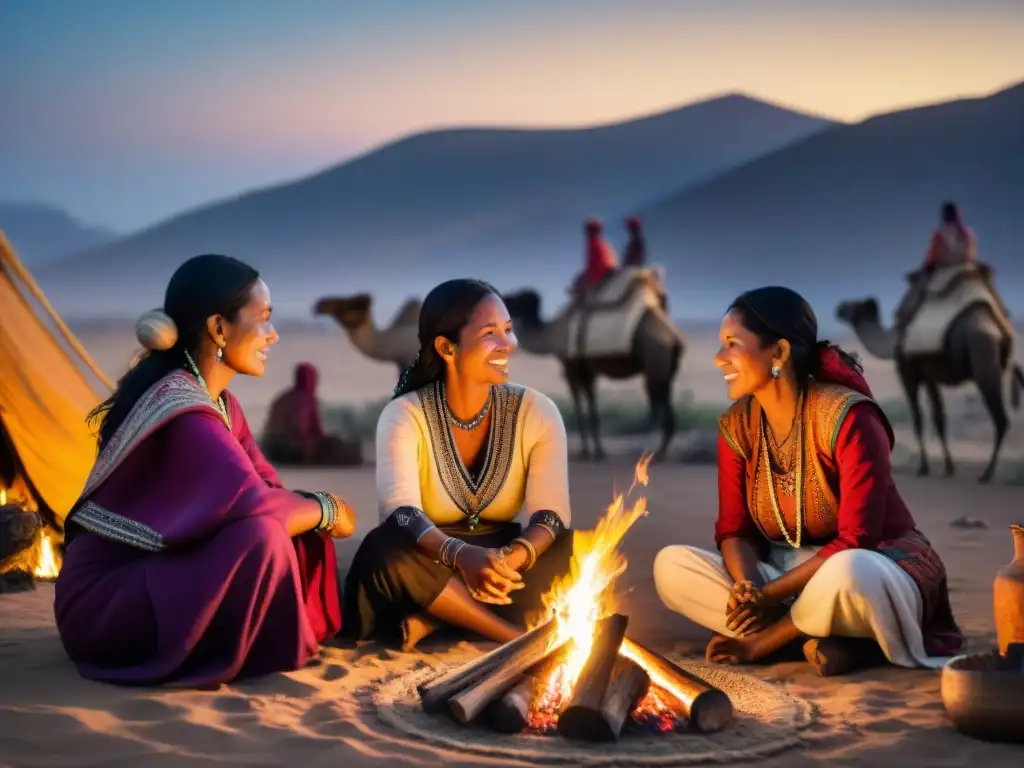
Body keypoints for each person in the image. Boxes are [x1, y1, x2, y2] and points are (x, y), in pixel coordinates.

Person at [53, 254, 355, 688]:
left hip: (154, 582)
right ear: (218, 328)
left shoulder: (221, 405)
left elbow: (268, 488)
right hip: (105, 607)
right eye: (264, 320)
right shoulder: (183, 411)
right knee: (266, 533)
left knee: (285, 530)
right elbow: (261, 507)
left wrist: (307, 509)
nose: (274, 335)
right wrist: (328, 507)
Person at [652, 286, 964, 676]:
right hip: (784, 577)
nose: (719, 359)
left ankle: (772, 641)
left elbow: (856, 541)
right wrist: (749, 589)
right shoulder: (737, 425)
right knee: (671, 566)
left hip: (876, 569)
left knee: (848, 571)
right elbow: (735, 531)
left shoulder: (850, 418)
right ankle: (822, 641)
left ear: (779, 353)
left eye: (732, 344)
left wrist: (767, 600)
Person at [343, 278, 574, 650]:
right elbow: (401, 513)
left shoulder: (538, 411)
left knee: (566, 545)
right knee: (384, 550)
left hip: (503, 558)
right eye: (490, 333)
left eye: (509, 330)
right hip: (426, 553)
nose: (508, 345)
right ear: (447, 347)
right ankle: (512, 638)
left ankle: (437, 616)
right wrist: (462, 555)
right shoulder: (404, 414)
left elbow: (550, 515)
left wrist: (510, 559)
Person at [262, 362, 361, 466]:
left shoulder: (283, 398)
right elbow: (302, 430)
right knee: (334, 444)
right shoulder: (306, 400)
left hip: (271, 450)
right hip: (289, 450)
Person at [573, 218, 619, 299]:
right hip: (606, 270)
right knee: (580, 279)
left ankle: (583, 303)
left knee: (579, 282)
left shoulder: (594, 243)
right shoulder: (602, 242)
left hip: (602, 272)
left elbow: (596, 264)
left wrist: (587, 279)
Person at [923, 201, 976, 269]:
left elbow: (933, 255)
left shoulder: (939, 233)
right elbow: (970, 252)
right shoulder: (967, 232)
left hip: (943, 267)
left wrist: (929, 265)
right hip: (964, 264)